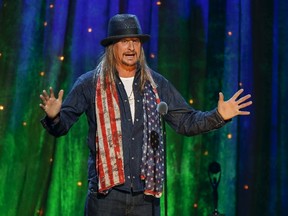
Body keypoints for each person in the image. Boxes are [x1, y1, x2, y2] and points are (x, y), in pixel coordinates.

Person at [39, 14, 252, 216]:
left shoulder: (156, 84)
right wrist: (53, 117)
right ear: (112, 47)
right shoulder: (90, 83)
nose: (131, 47)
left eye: (136, 41)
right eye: (124, 41)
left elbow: (185, 122)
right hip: (105, 198)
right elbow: (61, 126)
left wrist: (218, 115)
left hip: (146, 197)